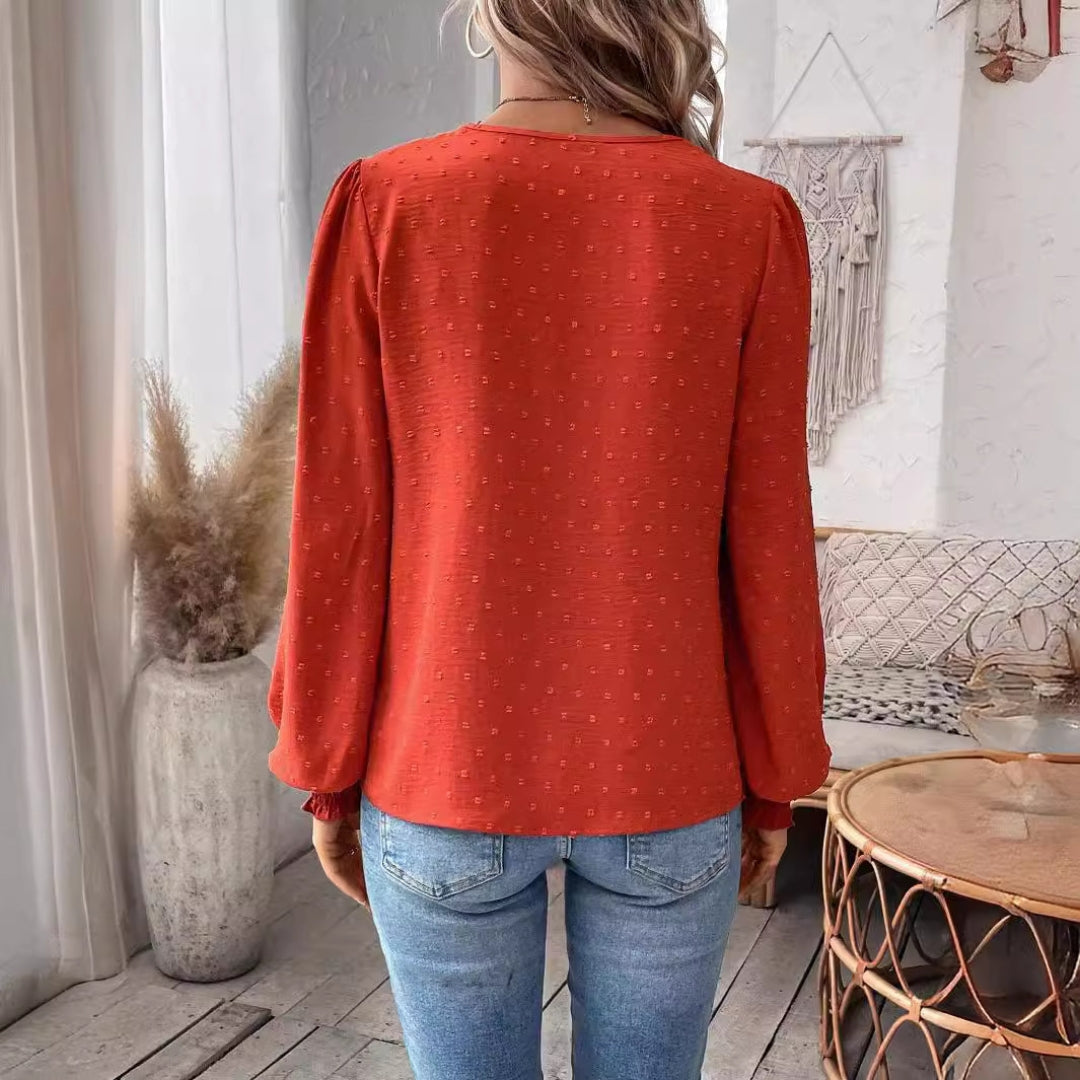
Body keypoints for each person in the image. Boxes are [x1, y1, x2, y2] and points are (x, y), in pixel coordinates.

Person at [268, 2, 830, 1077]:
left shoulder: (388, 200)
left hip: (442, 767)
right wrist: (780, 771)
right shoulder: (745, 220)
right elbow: (769, 536)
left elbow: (340, 522)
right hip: (669, 772)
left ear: (492, 17)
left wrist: (325, 765)